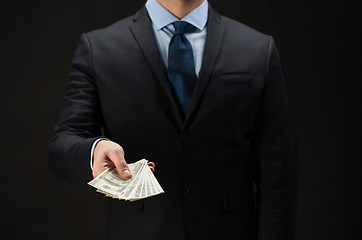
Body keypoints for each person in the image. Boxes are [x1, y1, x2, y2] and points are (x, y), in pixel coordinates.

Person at [48, 0, 296, 239]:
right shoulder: (99, 48)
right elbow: (63, 142)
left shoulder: (257, 48)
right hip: (140, 232)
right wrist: (94, 150)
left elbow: (277, 169)